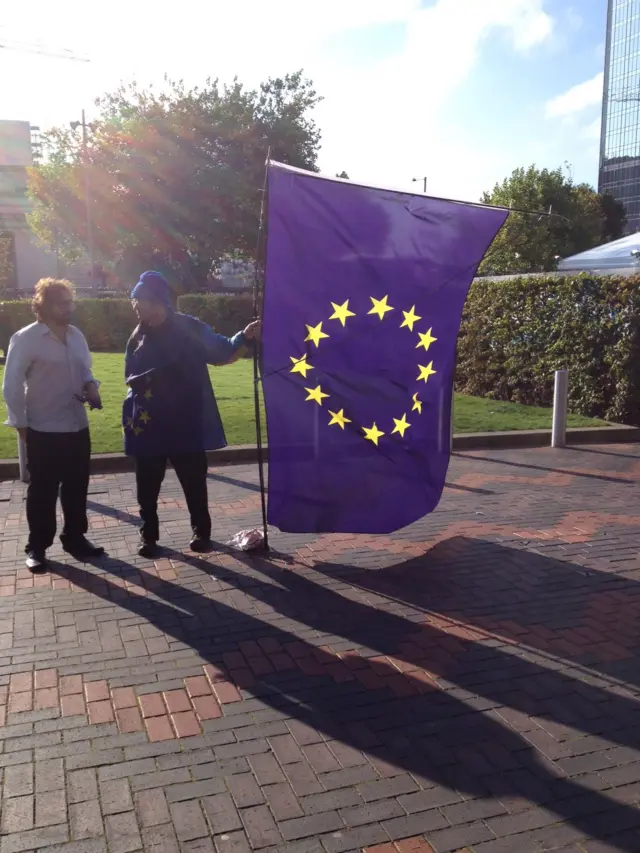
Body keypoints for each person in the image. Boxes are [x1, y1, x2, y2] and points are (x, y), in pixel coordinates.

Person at [123, 271, 260, 558]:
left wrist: (244, 337)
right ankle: (148, 536)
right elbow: (129, 378)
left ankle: (202, 533)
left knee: (194, 481)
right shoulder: (136, 336)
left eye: (138, 299)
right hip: (149, 425)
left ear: (156, 301)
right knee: (146, 485)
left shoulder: (189, 328)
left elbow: (222, 350)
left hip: (186, 421)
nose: (134, 304)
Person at [2, 278, 105, 571]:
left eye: (70, 302)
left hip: (76, 426)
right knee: (43, 492)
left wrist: (91, 386)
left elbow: (85, 369)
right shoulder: (26, 338)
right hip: (43, 429)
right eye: (62, 303)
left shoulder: (76, 336)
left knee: (77, 487)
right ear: (43, 305)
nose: (68, 307)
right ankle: (37, 547)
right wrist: (21, 425)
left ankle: (75, 538)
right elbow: (10, 386)